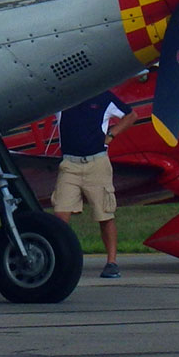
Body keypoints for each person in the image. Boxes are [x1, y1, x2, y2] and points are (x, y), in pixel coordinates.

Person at [52, 87, 127, 277]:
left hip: (97, 162)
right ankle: (60, 260)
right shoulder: (61, 97)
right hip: (69, 164)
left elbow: (130, 115)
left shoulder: (103, 96)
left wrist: (111, 135)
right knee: (60, 216)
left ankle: (112, 262)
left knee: (105, 215)